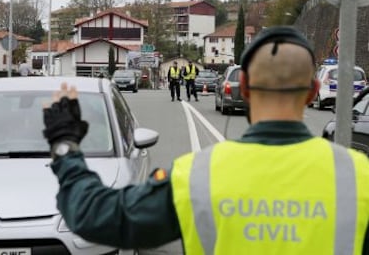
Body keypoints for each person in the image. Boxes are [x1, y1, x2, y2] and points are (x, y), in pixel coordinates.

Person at [42, 26, 369, 254]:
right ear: (313, 92)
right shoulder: (360, 177)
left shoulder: (197, 175)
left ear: (245, 87)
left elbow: (92, 216)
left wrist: (65, 144)